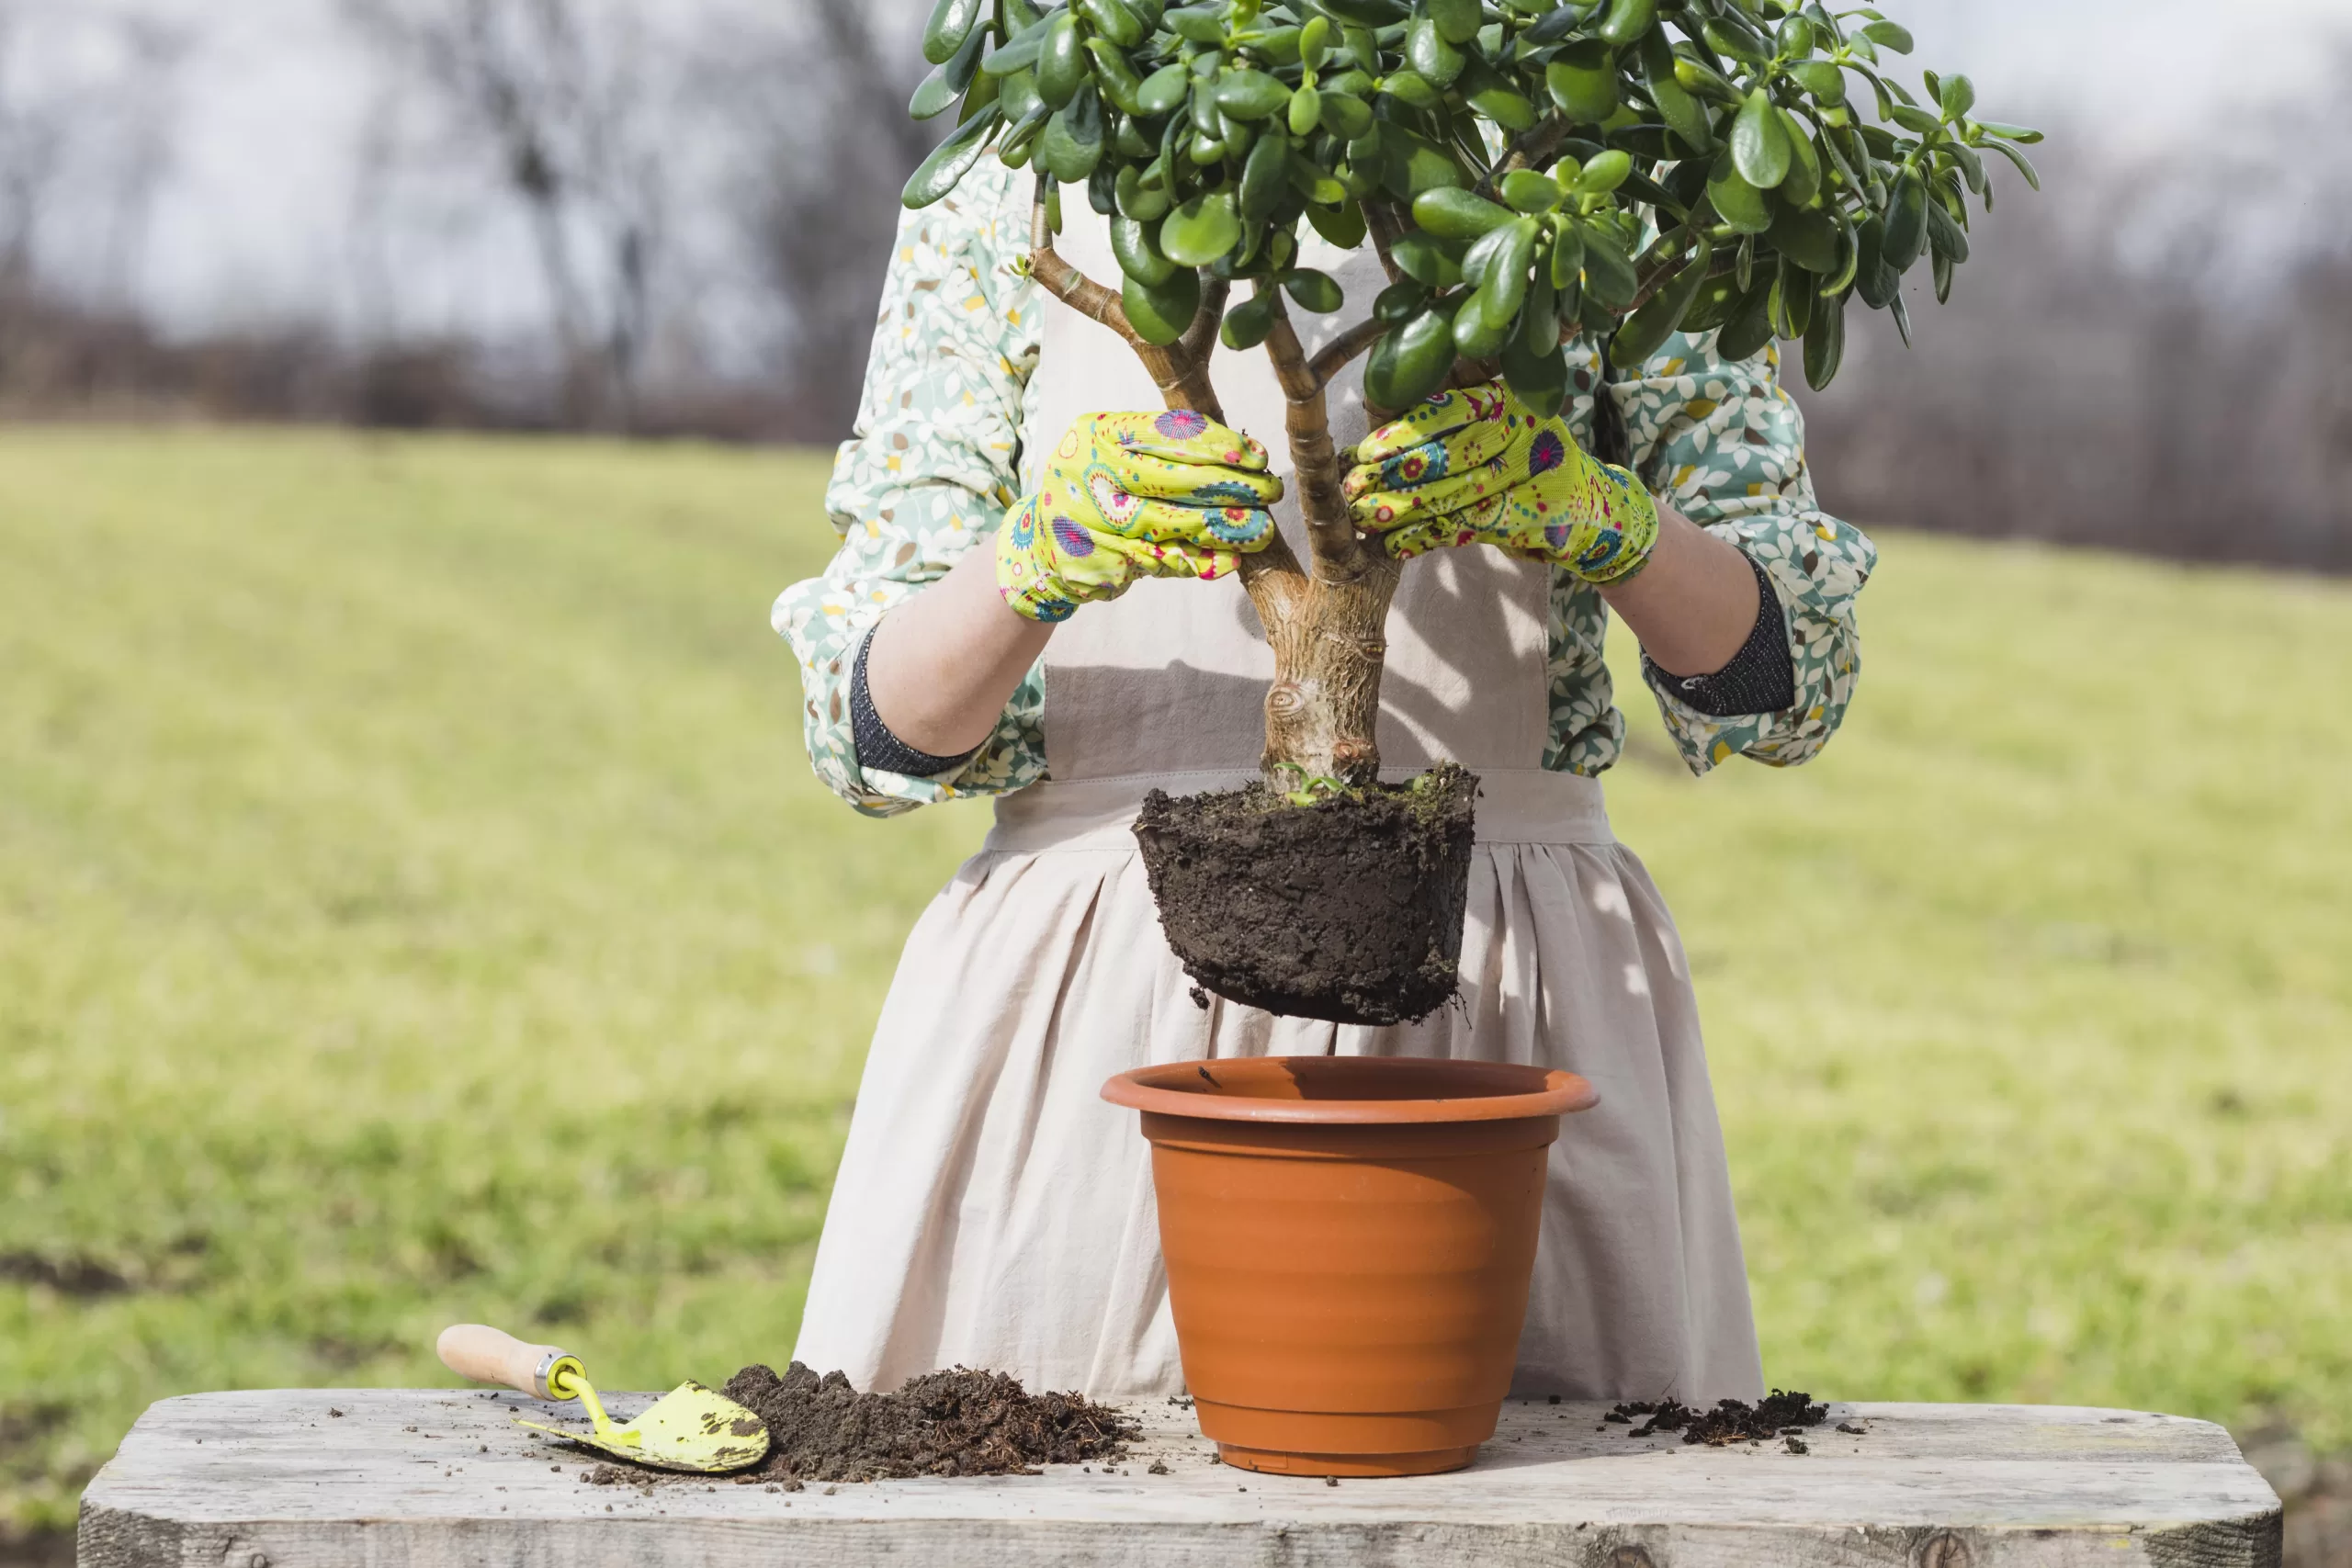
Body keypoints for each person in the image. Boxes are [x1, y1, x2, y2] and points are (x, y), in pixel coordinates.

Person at [773, 155, 1874, 1404]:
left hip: (1503, 1003)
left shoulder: (1605, 158)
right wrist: (1036, 553)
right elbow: (868, 732)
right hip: (1090, 1014)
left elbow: (1789, 686)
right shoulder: (1009, 183)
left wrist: (1598, 513)